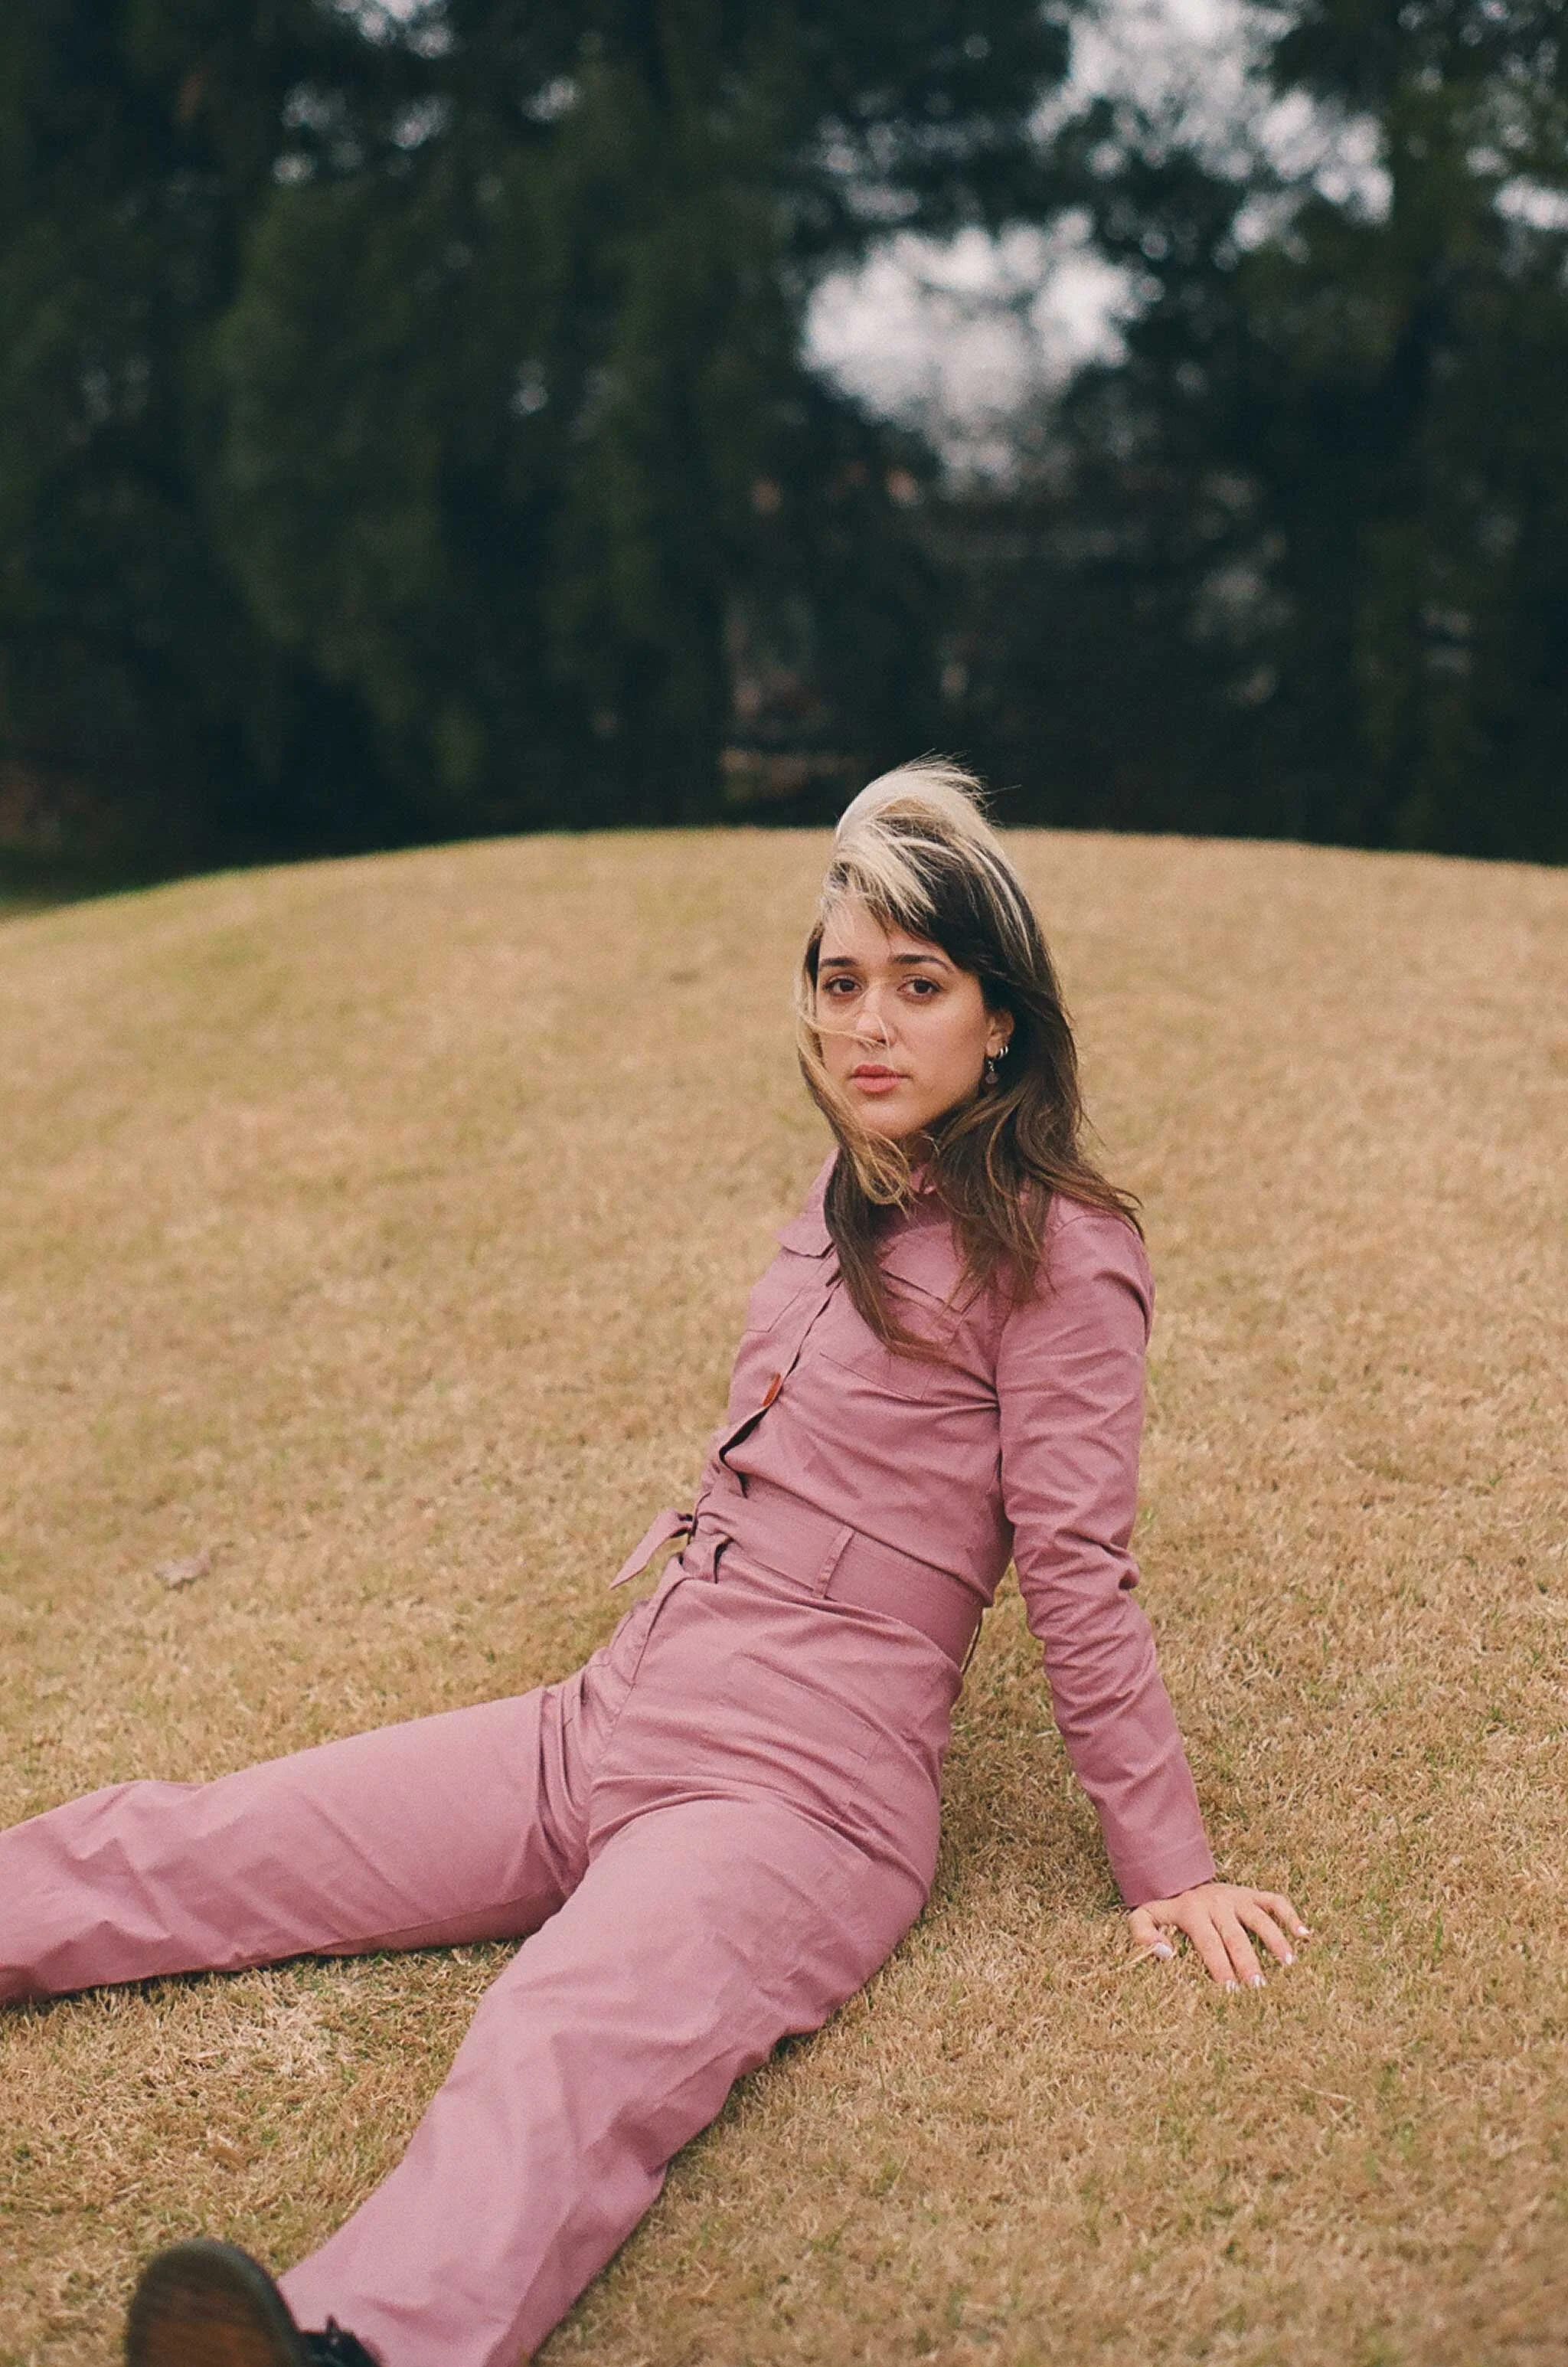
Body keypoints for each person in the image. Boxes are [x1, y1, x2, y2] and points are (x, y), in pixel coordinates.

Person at [2, 764, 1308, 2367]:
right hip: (611, 1714)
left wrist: (1170, 1864)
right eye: (841, 981)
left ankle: (361, 2347)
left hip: (801, 1797)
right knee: (217, 1839)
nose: (868, 1024)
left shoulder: (1064, 1255)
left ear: (1001, 1022)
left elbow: (1079, 1571)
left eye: (919, 986)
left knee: (556, 2042)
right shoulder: (838, 1204)